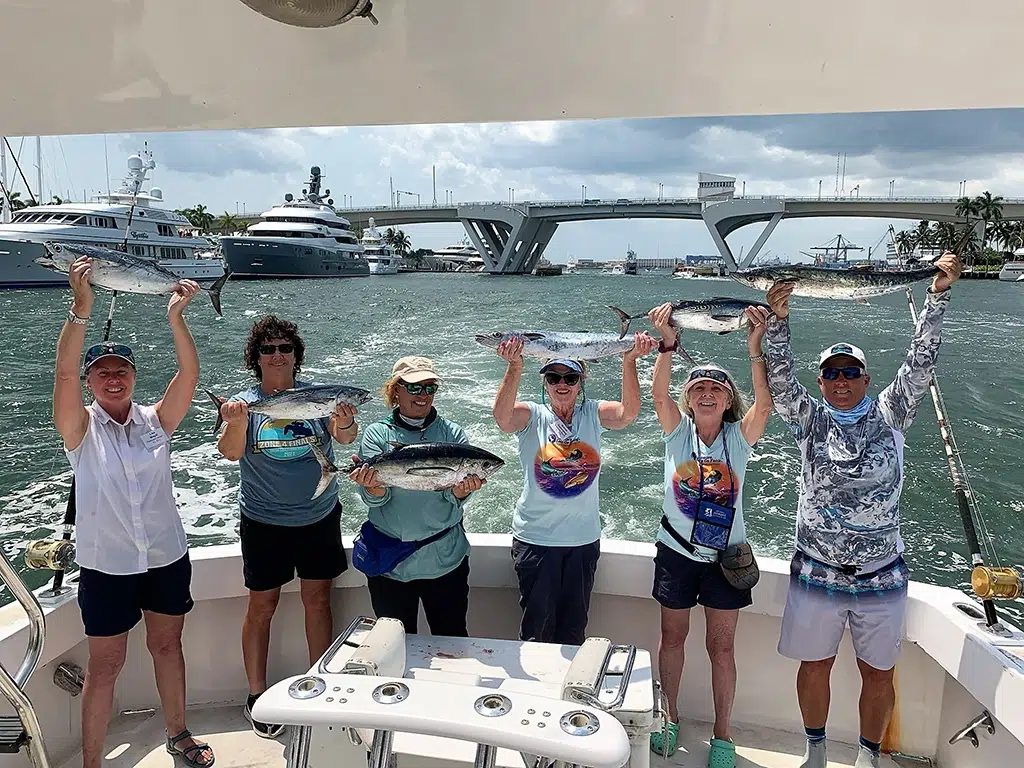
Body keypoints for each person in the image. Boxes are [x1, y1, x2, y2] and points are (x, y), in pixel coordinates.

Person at [762, 253, 961, 768]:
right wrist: (779, 322)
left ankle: (868, 757)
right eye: (832, 374)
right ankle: (816, 751)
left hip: (880, 574)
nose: (841, 380)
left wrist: (936, 297)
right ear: (823, 381)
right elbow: (779, 382)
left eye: (851, 372)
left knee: (878, 674)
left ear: (867, 379)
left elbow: (921, 364)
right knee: (815, 666)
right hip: (817, 571)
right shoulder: (808, 420)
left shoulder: (893, 414)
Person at [53, 256, 213, 768]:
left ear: (134, 376)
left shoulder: (156, 422)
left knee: (168, 648)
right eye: (101, 373)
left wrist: (177, 317)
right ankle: (92, 763)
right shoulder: (80, 431)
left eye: (121, 370)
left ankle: (179, 733)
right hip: (107, 566)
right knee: (106, 665)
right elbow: (63, 373)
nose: (112, 379)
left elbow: (189, 372)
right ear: (91, 383)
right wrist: (82, 309)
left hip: (166, 556)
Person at [215, 314, 359, 738]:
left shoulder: (319, 397)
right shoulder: (244, 402)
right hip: (263, 521)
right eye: (268, 348)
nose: (277, 355)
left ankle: (319, 682)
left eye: (285, 348)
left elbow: (346, 439)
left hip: (317, 515)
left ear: (296, 356)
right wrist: (236, 421)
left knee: (318, 600)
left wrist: (346, 418)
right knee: (262, 606)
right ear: (255, 359)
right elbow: (228, 452)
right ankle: (257, 695)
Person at [647, 304, 773, 765]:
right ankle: (669, 718)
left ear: (727, 399)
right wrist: (666, 342)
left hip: (726, 559)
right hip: (676, 554)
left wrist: (754, 348)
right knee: (672, 639)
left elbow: (766, 405)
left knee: (721, 647)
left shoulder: (739, 439)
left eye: (715, 389)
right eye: (698, 387)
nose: (706, 394)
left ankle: (723, 736)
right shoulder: (676, 433)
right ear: (689, 398)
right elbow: (658, 395)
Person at [492, 331, 657, 645]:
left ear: (581, 382)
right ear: (545, 383)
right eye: (553, 377)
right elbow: (502, 419)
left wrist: (629, 361)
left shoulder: (592, 414)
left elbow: (627, 414)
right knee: (536, 628)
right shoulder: (532, 416)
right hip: (536, 540)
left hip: (582, 542)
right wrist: (514, 367)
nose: (562, 384)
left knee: (573, 628)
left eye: (570, 377)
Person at [349, 356, 483, 635]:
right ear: (395, 389)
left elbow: (453, 497)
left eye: (429, 388)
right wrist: (372, 486)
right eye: (414, 388)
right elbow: (376, 499)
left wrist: (460, 492)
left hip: (444, 559)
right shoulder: (377, 434)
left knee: (452, 641)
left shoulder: (452, 434)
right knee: (395, 645)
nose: (423, 395)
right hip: (390, 564)